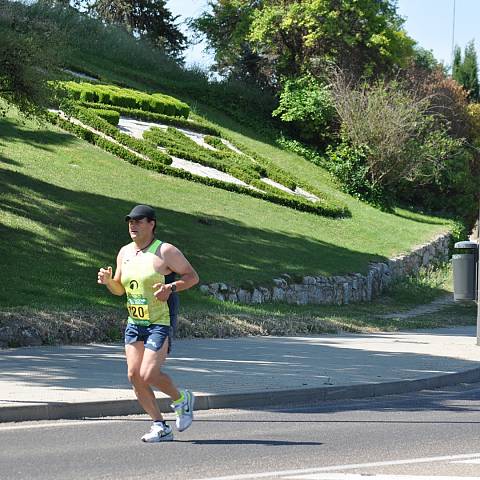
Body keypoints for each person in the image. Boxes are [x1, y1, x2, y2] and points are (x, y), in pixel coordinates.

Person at [97, 204, 199, 443]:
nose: (133, 225)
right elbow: (119, 290)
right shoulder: (125, 253)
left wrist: (170, 288)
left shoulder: (165, 251)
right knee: (134, 375)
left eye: (139, 221)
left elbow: (192, 277)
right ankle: (159, 425)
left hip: (159, 322)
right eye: (130, 221)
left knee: (149, 373)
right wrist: (109, 281)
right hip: (135, 322)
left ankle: (181, 399)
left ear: (151, 224)